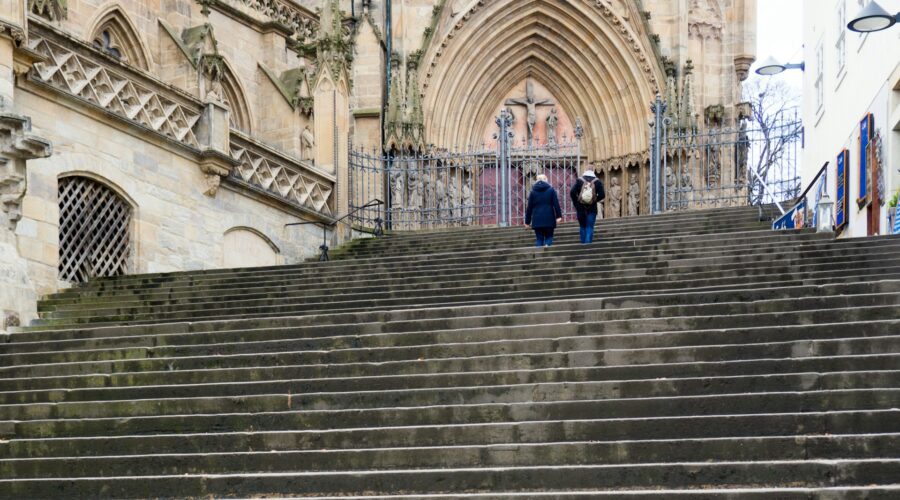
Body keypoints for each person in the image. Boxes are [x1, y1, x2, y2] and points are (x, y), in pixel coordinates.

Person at [524, 174, 562, 247]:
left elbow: (529, 208)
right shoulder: (551, 190)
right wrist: (559, 216)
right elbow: (556, 204)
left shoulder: (532, 192)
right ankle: (547, 246)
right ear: (546, 180)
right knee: (549, 236)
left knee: (539, 239)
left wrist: (527, 222)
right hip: (549, 218)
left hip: (537, 219)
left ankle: (539, 253)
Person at [570, 168, 605, 244]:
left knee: (582, 226)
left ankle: (583, 244)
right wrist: (594, 200)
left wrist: (577, 203)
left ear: (585, 171)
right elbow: (602, 195)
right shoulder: (597, 181)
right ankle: (588, 244)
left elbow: (572, 192)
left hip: (580, 208)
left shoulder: (579, 180)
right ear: (593, 171)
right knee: (589, 226)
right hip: (592, 208)